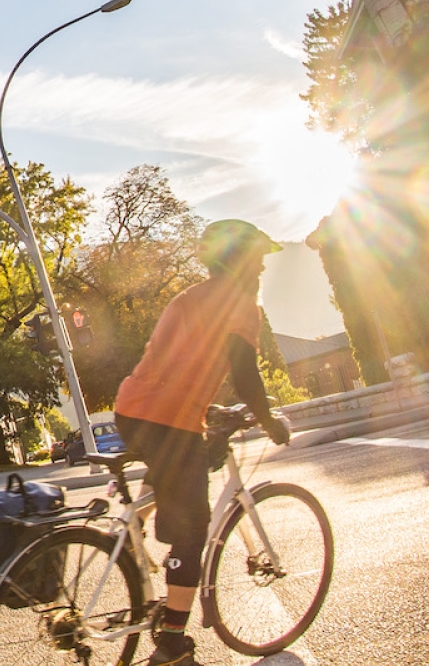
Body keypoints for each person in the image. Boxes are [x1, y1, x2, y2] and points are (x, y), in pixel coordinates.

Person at [111, 219, 293, 666]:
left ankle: (139, 531)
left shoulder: (190, 296)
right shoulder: (239, 301)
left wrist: (205, 410)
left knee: (183, 469)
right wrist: (269, 420)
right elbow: (244, 369)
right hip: (169, 421)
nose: (262, 270)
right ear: (240, 260)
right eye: (258, 259)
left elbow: (177, 363)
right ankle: (172, 645)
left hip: (134, 410)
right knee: (192, 534)